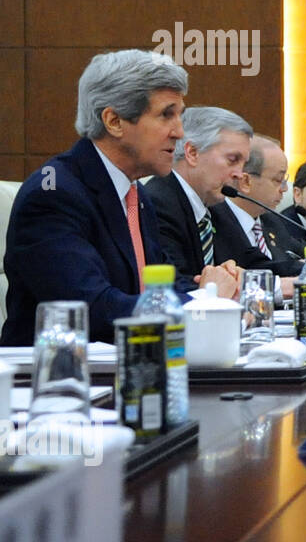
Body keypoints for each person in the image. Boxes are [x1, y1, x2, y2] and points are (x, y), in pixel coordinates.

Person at [2, 50, 235, 345]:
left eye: (180, 115)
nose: (179, 132)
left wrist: (219, 286)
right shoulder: (53, 193)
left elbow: (159, 285)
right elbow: (94, 309)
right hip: (57, 381)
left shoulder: (135, 193)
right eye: (167, 114)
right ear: (114, 121)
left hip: (130, 368)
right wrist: (205, 300)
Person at [144, 106, 251, 281]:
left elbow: (251, 260)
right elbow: (174, 282)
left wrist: (299, 274)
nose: (239, 174)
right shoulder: (158, 202)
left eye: (243, 163)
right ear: (192, 153)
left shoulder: (215, 203)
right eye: (232, 160)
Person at [211, 133, 301, 279]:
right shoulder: (214, 220)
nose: (284, 189)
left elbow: (303, 253)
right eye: (278, 180)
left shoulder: (271, 221)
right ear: (245, 181)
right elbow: (249, 269)